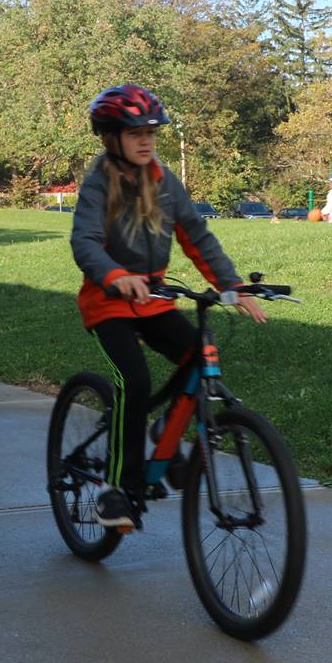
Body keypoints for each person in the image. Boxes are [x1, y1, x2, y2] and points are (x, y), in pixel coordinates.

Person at [72, 84, 264, 531]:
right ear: (110, 137)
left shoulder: (165, 182)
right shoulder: (99, 183)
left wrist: (233, 287)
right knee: (134, 381)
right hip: (109, 303)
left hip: (155, 300)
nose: (146, 140)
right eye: (135, 132)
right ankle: (115, 490)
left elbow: (198, 238)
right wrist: (117, 276)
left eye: (151, 133)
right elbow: (84, 242)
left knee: (200, 356)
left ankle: (166, 433)